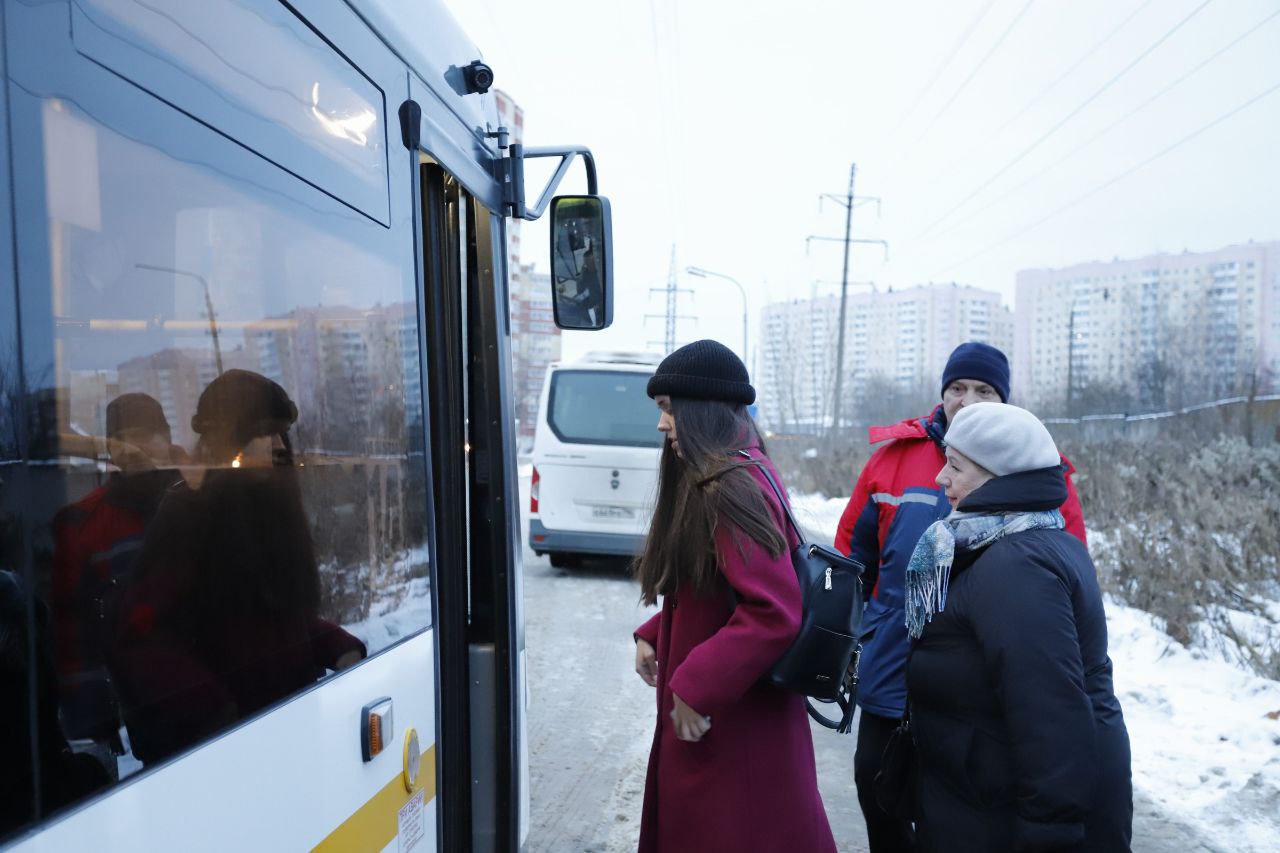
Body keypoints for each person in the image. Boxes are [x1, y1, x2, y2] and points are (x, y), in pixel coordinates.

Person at [835, 341, 1087, 852]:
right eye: (957, 388)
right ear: (942, 393)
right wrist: (856, 638)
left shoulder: (1037, 473)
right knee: (877, 785)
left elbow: (1068, 580)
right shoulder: (894, 460)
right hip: (893, 665)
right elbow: (850, 561)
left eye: (983, 390)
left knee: (952, 801)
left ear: (1005, 400)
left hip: (976, 682)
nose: (967, 400)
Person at [631, 340, 836, 853]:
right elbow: (716, 586)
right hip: (733, 722)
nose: (662, 425)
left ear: (700, 410)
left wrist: (694, 687)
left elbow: (772, 609)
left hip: (735, 730)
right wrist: (656, 633)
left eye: (668, 410)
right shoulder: (735, 470)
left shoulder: (731, 485)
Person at [904, 402, 1131, 851]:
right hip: (982, 799)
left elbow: (1050, 714)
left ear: (998, 476)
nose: (939, 478)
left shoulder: (1016, 565)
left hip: (1003, 815)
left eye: (954, 466)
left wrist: (1050, 833)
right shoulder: (1023, 538)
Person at [110, 370, 365, 765]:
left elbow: (271, 617)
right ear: (233, 440)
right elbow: (142, 636)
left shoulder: (265, 509)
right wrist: (215, 709)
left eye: (283, 434)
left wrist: (336, 646)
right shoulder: (190, 514)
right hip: (218, 754)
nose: (280, 445)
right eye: (266, 433)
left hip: (280, 732)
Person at [50, 393, 184, 761]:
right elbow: (73, 632)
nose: (131, 448)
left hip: (244, 704)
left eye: (144, 435)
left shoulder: (203, 498)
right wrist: (94, 725)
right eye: (120, 439)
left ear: (166, 438)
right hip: (155, 722)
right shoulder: (82, 525)